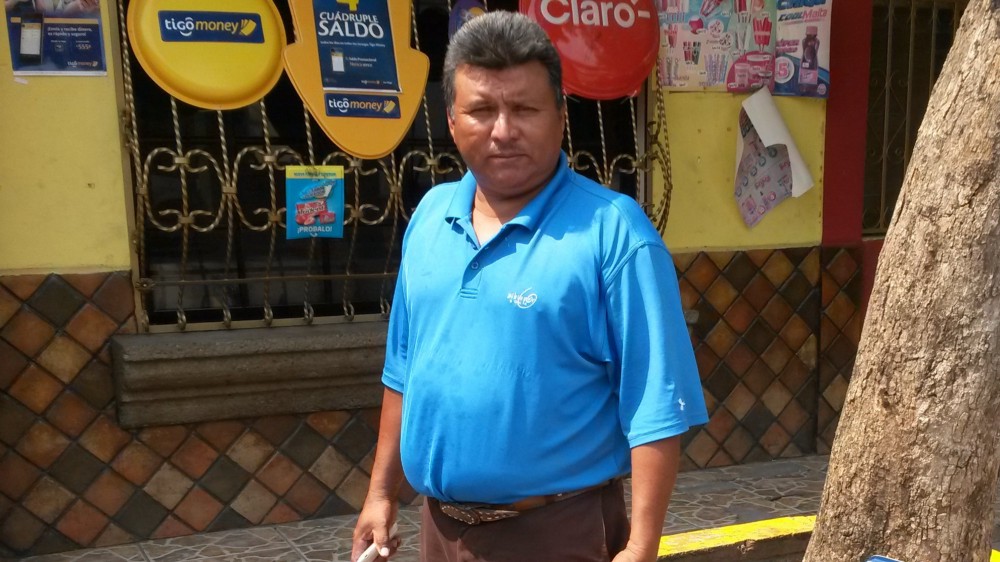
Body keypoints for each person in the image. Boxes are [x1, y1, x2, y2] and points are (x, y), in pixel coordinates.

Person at [352, 10, 708, 562]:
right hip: (439, 532)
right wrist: (379, 494)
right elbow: (404, 371)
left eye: (524, 109)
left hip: (558, 532)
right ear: (451, 120)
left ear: (560, 117)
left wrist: (641, 546)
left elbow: (655, 404)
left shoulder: (614, 232)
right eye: (481, 110)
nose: (503, 130)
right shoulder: (429, 217)